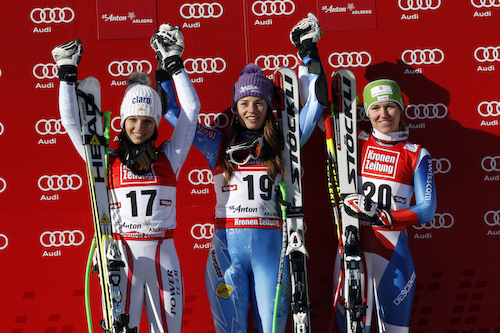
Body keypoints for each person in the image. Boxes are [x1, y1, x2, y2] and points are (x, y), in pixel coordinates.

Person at [158, 13, 327, 333]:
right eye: (245, 103)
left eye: (259, 103)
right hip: (225, 256)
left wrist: (308, 52)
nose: (252, 109)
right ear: (236, 108)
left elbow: (316, 105)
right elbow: (173, 113)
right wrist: (167, 62)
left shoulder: (285, 143)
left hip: (271, 255)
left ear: (268, 107)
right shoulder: (217, 145)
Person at [52, 24, 200, 333]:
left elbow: (192, 108)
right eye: (132, 120)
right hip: (123, 255)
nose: (139, 127)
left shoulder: (170, 157)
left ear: (156, 123)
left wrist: (174, 62)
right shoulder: (105, 160)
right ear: (123, 120)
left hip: (164, 254)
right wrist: (67, 73)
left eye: (147, 121)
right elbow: (70, 123)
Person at [333, 79, 437, 332]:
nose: (383, 114)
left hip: (393, 253)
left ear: (401, 109)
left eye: (390, 106)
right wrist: (309, 58)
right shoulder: (353, 142)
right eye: (375, 108)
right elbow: (316, 116)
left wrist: (385, 216)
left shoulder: (415, 153)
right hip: (351, 247)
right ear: (366, 112)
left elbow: (427, 208)